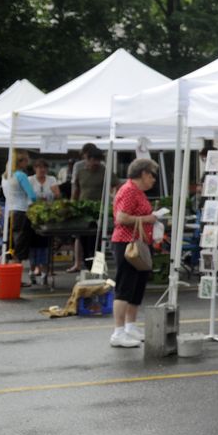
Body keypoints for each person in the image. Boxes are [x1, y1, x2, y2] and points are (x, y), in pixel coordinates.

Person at [109, 158, 161, 348]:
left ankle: (130, 326)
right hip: (127, 244)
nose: (154, 179)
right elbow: (121, 217)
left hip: (138, 243)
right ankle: (118, 331)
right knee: (125, 287)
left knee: (136, 286)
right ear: (144, 173)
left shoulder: (135, 191)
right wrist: (148, 218)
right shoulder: (130, 190)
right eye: (152, 175)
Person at [68, 144, 106, 272]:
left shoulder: (104, 170)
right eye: (93, 159)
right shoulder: (80, 169)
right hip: (83, 209)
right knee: (83, 238)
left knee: (98, 240)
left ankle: (98, 268)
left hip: (99, 209)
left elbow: (114, 184)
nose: (96, 163)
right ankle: (85, 264)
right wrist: (73, 205)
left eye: (98, 160)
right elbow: (76, 188)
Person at [2, 152, 37, 281]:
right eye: (26, 161)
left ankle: (8, 275)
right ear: (20, 162)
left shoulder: (5, 176)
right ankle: (16, 278)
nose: (27, 163)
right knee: (20, 245)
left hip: (9, 211)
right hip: (21, 211)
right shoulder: (21, 175)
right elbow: (32, 195)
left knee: (10, 244)